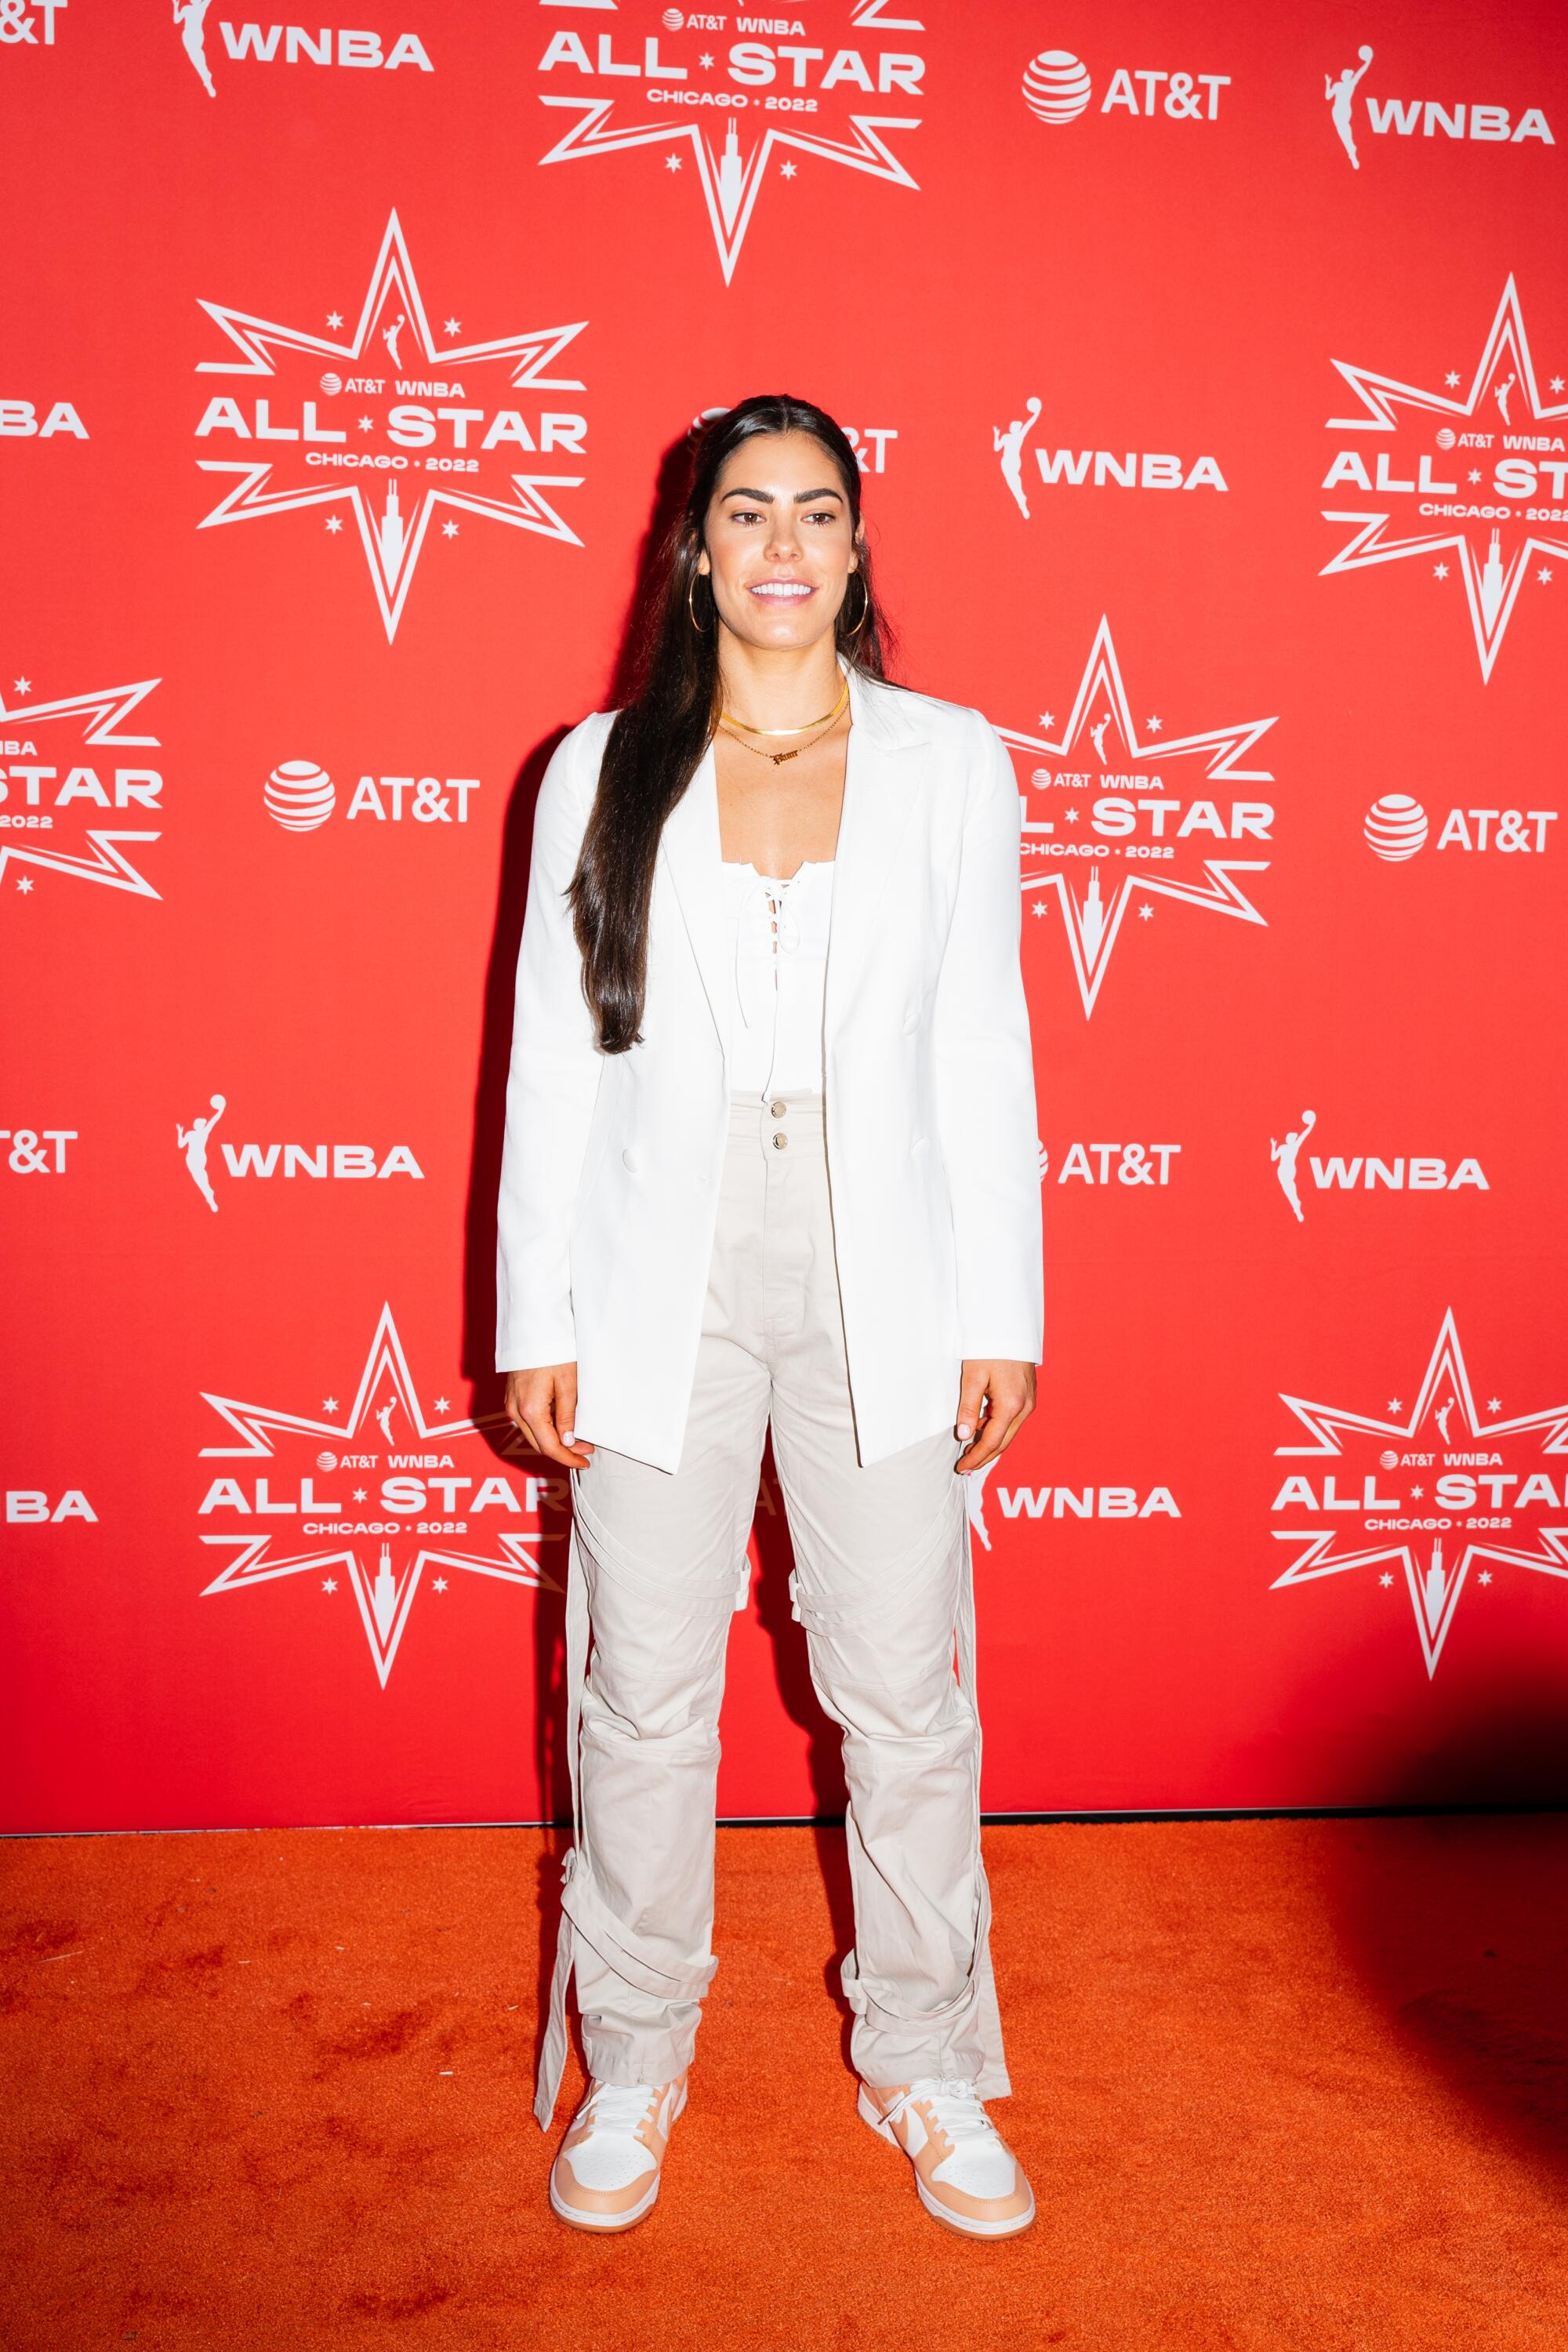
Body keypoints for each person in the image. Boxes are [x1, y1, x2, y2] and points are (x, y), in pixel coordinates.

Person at [496, 394, 1044, 2239]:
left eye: (820, 511)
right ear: (697, 549)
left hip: (881, 1261)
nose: (787, 546)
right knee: (638, 1696)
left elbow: (981, 1048)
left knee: (905, 1698)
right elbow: (554, 1065)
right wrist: (536, 1312)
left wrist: (1000, 1303)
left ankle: (930, 2060)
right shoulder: (600, 766)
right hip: (663, 1263)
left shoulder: (955, 763)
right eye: (750, 513)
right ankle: (634, 2054)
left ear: (858, 545)